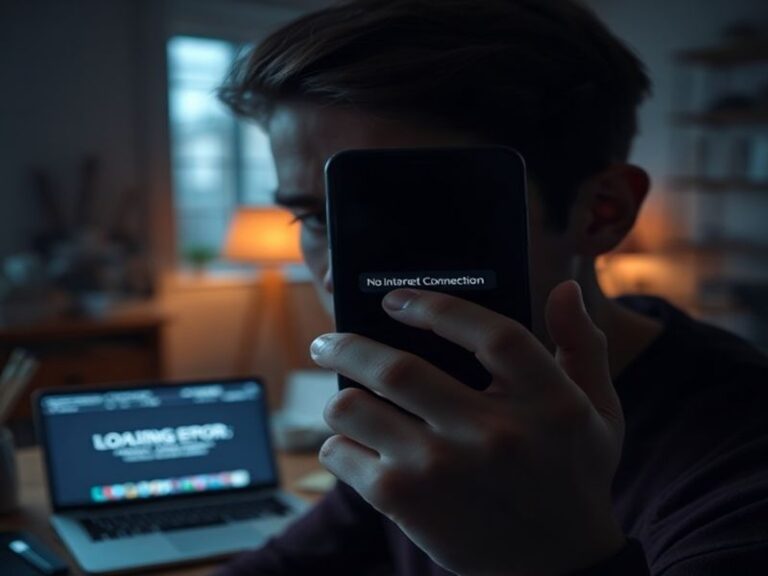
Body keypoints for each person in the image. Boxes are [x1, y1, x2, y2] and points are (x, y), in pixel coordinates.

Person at [214, 1, 768, 574]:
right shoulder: (425, 406)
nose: (333, 276)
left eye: (412, 220)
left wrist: (558, 558)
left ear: (602, 212)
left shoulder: (741, 466)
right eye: (314, 219)